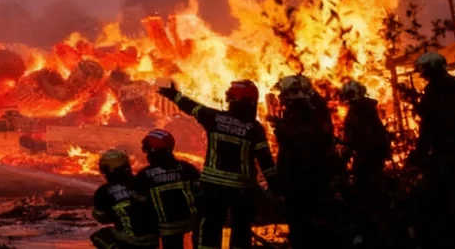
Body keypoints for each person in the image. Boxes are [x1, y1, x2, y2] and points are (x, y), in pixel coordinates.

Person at [157, 80, 277, 249]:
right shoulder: (254, 128)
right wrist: (275, 188)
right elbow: (266, 163)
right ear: (251, 103)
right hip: (242, 189)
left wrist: (174, 95)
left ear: (231, 101)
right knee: (241, 230)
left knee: (209, 228)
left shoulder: (215, 118)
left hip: (213, 187)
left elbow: (192, 107)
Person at [408, 51, 455, 249]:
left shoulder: (436, 92)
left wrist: (419, 155)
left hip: (444, 155)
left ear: (432, 72)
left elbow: (429, 128)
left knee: (435, 203)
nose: (423, 77)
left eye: (425, 73)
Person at [271, 75, 337, 249]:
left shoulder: (307, 113)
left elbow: (307, 147)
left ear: (292, 93)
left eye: (283, 93)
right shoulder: (306, 110)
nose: (280, 98)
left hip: (305, 184)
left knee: (306, 231)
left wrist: (284, 131)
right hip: (303, 182)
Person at [338, 79, 390, 246]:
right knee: (376, 196)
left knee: (364, 198)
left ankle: (368, 235)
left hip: (365, 161)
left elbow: (351, 141)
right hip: (375, 160)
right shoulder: (369, 109)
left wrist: (340, 164)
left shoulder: (356, 113)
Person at [134, 128, 201, 249]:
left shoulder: (144, 176)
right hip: (192, 220)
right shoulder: (187, 168)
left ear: (152, 151)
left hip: (167, 227)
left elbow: (139, 207)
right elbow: (200, 194)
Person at [91, 149, 160, 249]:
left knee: (99, 236)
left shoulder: (103, 192)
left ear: (106, 170)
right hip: (153, 239)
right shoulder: (143, 180)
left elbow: (102, 219)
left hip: (129, 240)